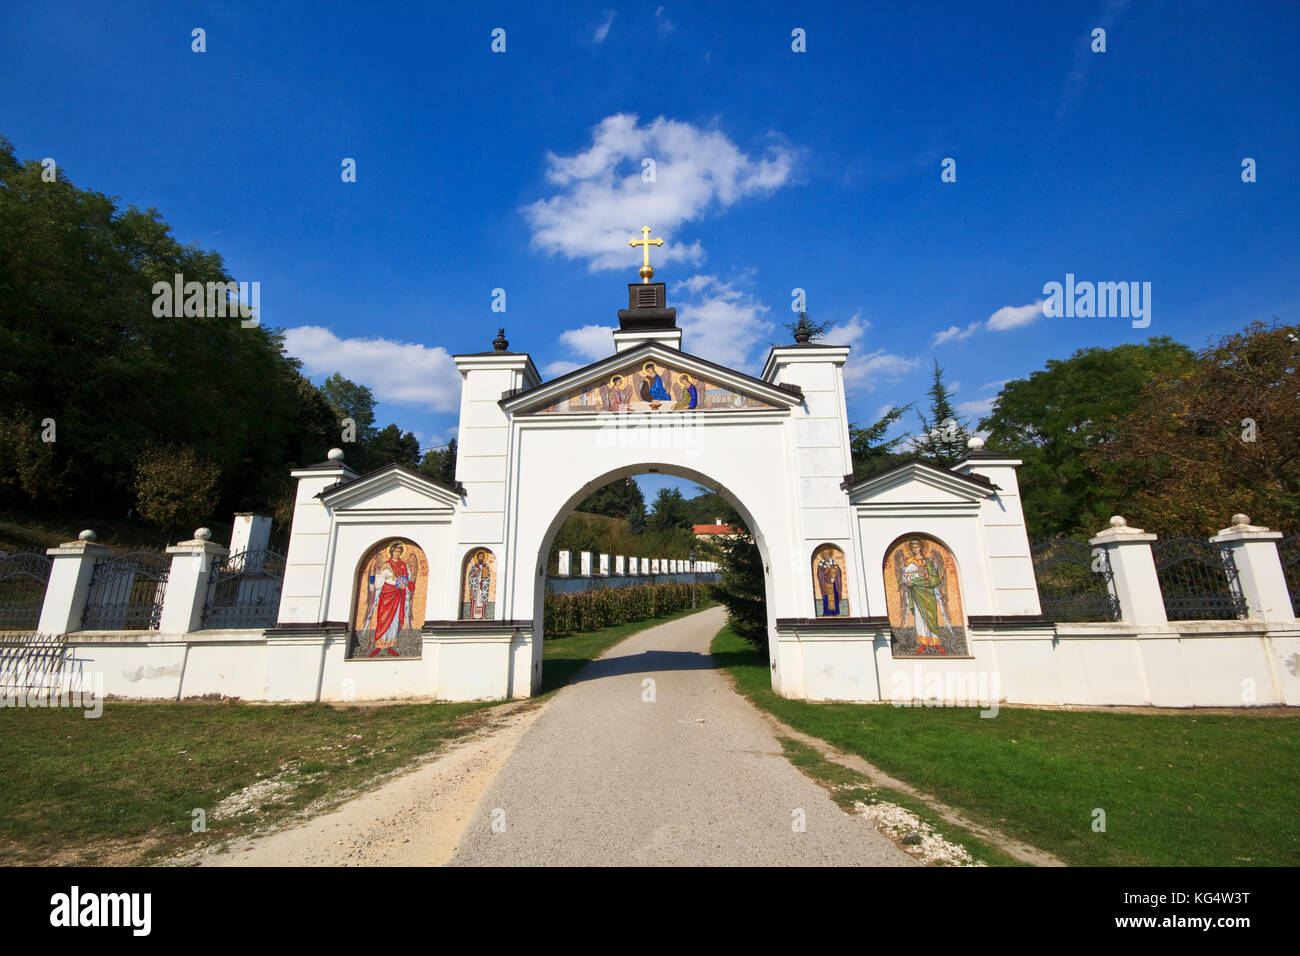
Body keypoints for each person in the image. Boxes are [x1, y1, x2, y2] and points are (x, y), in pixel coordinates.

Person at [360, 541, 416, 657]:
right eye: (396, 551)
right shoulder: (386, 565)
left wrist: (407, 585)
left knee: (395, 621)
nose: (398, 553)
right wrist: (372, 575)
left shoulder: (402, 565)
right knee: (383, 619)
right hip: (386, 596)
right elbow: (378, 582)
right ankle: (378, 646)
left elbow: (406, 579)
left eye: (400, 551)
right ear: (391, 552)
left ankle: (391, 646)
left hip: (398, 596)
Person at [900, 540, 948, 654]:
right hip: (917, 593)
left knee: (932, 616)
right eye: (914, 548)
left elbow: (935, 578)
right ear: (912, 549)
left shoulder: (928, 562)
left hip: (929, 593)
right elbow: (905, 578)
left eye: (917, 547)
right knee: (920, 618)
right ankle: (923, 643)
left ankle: (935, 642)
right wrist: (911, 581)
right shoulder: (911, 563)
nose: (916, 549)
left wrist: (927, 580)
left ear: (921, 548)